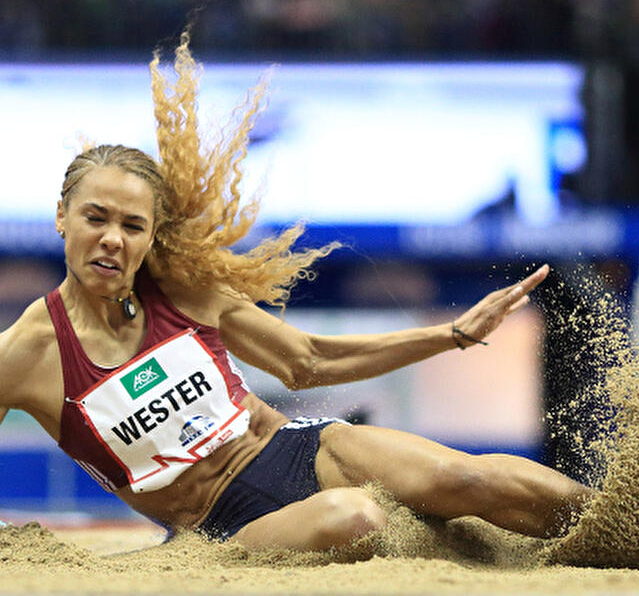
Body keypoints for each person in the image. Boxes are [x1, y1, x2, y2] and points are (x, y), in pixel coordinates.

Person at [0, 34, 591, 552]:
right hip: (218, 525)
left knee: (466, 481)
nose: (111, 240)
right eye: (95, 219)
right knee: (356, 518)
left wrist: (453, 334)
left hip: (297, 449)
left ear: (151, 235)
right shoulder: (24, 353)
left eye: (132, 226)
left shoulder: (180, 292)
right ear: (62, 217)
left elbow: (307, 361)